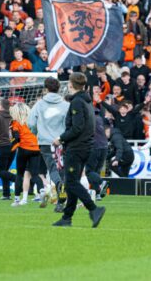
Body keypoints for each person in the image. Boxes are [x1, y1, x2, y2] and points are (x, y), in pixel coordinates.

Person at [52, 72, 107, 228]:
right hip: (86, 146)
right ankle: (67, 217)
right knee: (72, 182)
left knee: (71, 182)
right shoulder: (86, 101)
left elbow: (77, 128)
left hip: (76, 147)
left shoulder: (77, 102)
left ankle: (94, 209)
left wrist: (60, 138)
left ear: (70, 85)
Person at [28, 77, 69, 210]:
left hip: (45, 142)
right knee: (61, 169)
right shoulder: (65, 105)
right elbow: (70, 123)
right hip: (62, 141)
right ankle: (61, 201)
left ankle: (59, 187)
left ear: (46, 89)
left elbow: (31, 123)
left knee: (52, 169)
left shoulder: (39, 104)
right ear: (58, 88)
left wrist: (36, 133)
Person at [10, 101, 43, 207]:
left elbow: (16, 138)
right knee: (35, 174)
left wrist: (12, 146)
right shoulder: (34, 120)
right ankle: (42, 191)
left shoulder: (15, 122)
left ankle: (16, 199)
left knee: (20, 174)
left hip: (24, 149)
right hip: (36, 149)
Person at [0, 98, 17, 200]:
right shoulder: (13, 117)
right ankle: (6, 194)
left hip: (2, 146)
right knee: (5, 170)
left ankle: (19, 181)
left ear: (1, 106)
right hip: (13, 147)